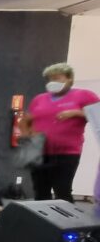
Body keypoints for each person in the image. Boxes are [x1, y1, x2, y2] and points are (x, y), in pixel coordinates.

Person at [21, 62, 99, 202]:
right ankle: (41, 217)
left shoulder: (84, 95)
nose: (53, 82)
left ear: (69, 79)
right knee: (40, 190)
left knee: (62, 191)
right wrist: (27, 136)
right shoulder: (39, 99)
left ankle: (65, 217)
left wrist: (76, 113)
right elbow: (26, 120)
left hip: (67, 152)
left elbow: (97, 116)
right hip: (39, 151)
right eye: (50, 79)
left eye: (57, 78)